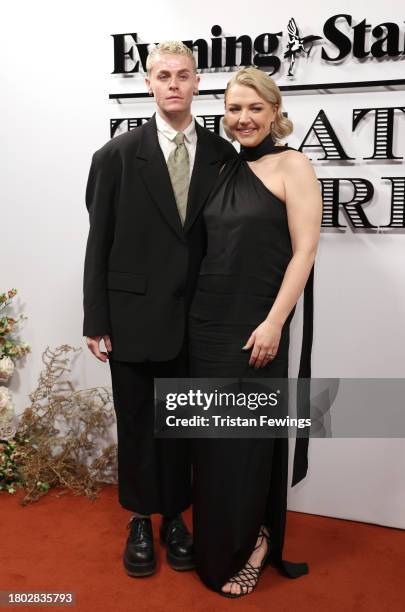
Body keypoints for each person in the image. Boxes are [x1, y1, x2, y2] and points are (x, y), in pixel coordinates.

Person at [82, 41, 237, 578]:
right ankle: (140, 521)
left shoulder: (221, 156)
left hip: (199, 320)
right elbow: (98, 241)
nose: (173, 83)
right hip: (132, 319)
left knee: (184, 424)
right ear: (149, 83)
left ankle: (176, 517)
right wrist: (95, 318)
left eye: (183, 75)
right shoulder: (117, 155)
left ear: (198, 83)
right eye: (163, 75)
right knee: (140, 424)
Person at [189, 67, 323, 597]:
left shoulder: (294, 165)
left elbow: (305, 251)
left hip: (257, 327)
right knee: (210, 443)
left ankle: (255, 542)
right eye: (234, 108)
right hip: (205, 325)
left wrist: (274, 322)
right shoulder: (217, 167)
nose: (243, 119)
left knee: (244, 443)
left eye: (254, 109)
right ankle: (219, 542)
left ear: (274, 112)